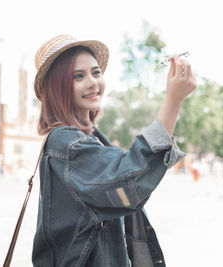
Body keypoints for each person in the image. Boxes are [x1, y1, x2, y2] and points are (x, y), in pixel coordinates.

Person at [31, 35, 196, 267]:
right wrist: (173, 100)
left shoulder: (91, 139)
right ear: (57, 87)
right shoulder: (66, 144)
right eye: (78, 76)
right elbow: (129, 183)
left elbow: (123, 190)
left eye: (96, 72)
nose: (92, 82)